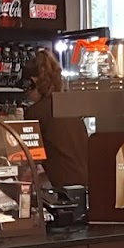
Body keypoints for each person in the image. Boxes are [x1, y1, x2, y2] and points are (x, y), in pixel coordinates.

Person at [25, 49, 88, 192]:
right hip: (87, 185)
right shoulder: (69, 106)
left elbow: (30, 159)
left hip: (62, 190)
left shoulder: (35, 112)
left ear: (33, 82)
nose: (26, 93)